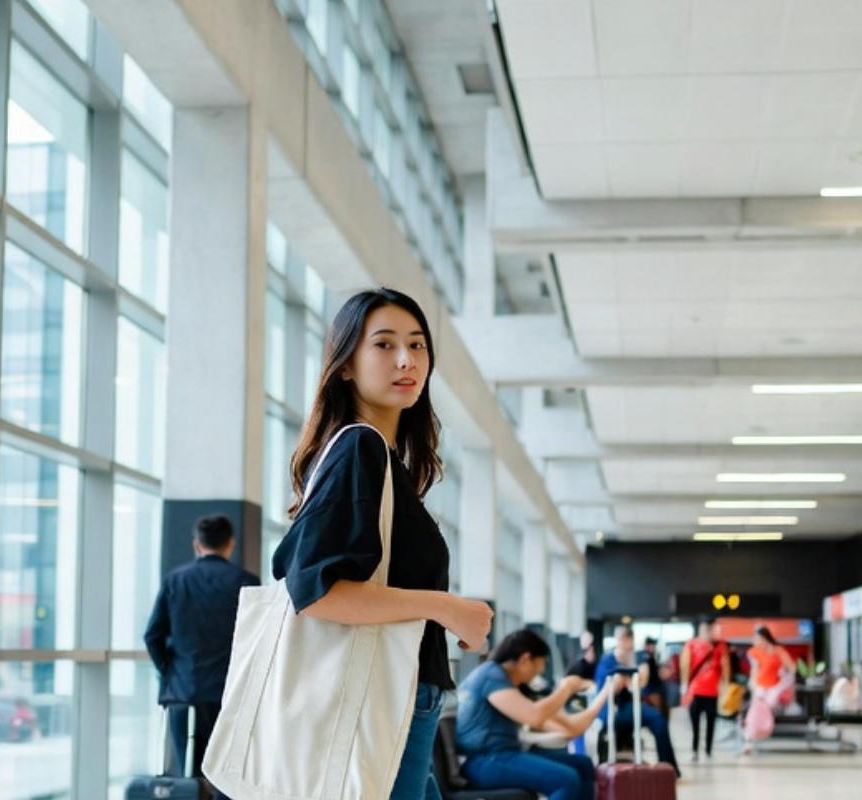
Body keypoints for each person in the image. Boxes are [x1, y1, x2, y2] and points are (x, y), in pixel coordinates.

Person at [272, 288, 494, 800]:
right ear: (345, 365)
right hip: (385, 699)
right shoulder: (357, 449)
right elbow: (316, 590)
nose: (405, 360)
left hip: (399, 696)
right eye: (384, 345)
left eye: (417, 346)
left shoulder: (382, 462)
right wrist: (446, 608)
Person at [144, 514, 260, 796]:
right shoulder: (246, 582)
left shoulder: (175, 581)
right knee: (230, 775)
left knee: (190, 779)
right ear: (230, 544)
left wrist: (169, 671)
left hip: (185, 693)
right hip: (232, 694)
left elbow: (153, 636)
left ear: (197, 544)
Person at [456, 629, 607, 800]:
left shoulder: (509, 684)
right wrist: (566, 688)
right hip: (484, 761)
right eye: (542, 663)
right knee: (566, 780)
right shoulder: (491, 676)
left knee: (582, 764)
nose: (541, 670)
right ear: (526, 659)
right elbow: (534, 716)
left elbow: (572, 729)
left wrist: (605, 694)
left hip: (504, 754)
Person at [595, 625, 681, 777]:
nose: (631, 644)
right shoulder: (608, 661)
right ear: (623, 640)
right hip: (611, 709)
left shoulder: (636, 659)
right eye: (628, 640)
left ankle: (669, 769)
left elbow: (641, 682)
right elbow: (609, 689)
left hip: (628, 705)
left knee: (658, 720)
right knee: (656, 718)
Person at [680, 617, 729, 760]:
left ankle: (708, 749)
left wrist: (724, 685)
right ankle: (695, 749)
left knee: (711, 722)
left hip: (712, 691)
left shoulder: (720, 646)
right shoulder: (691, 644)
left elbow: (725, 667)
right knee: (694, 723)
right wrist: (684, 686)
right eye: (706, 628)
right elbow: (685, 665)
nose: (708, 631)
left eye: (710, 628)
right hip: (695, 690)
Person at [742, 626, 797, 753]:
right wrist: (754, 685)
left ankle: (754, 735)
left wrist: (784, 684)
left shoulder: (779, 651)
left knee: (762, 706)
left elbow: (792, 669)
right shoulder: (753, 652)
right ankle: (750, 738)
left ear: (764, 638)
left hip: (776, 689)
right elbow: (754, 671)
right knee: (756, 706)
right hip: (761, 688)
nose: (754, 641)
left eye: (757, 638)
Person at [639, 636, 669, 719]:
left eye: (654, 645)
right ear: (646, 645)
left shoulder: (652, 656)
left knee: (661, 710)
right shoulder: (645, 657)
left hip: (656, 687)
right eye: (651, 645)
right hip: (652, 689)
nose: (653, 647)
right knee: (658, 712)